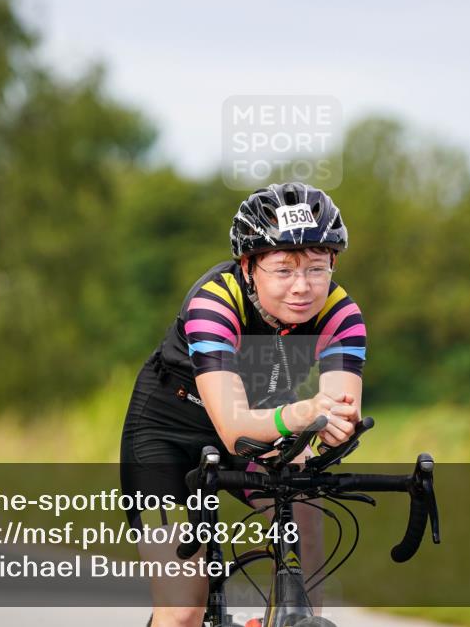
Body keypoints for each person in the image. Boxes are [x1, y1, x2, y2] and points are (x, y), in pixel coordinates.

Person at [120, 182, 366, 627]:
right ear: (249, 266)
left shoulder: (341, 315)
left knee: (304, 506)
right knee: (183, 608)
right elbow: (235, 429)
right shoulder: (214, 302)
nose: (302, 287)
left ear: (333, 263)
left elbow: (339, 411)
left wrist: (335, 429)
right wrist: (307, 413)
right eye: (283, 270)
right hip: (168, 435)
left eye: (317, 268)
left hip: (264, 423)